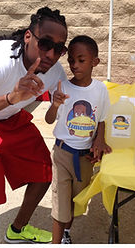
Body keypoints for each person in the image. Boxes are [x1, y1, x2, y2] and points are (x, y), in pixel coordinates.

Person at [0, 7, 68, 243]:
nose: (51, 54)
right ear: (28, 37)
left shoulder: (55, 72)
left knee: (44, 172)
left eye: (59, 48)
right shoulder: (1, 60)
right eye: (45, 43)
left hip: (10, 119)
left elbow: (73, 104)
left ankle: (17, 229)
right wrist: (11, 98)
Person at [44, 35, 111, 244]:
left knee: (76, 201)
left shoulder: (100, 90)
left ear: (95, 62)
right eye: (71, 60)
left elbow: (102, 119)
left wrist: (99, 141)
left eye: (81, 60)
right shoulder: (62, 87)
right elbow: (48, 119)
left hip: (85, 158)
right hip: (62, 154)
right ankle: (56, 241)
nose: (74, 65)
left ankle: (65, 232)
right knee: (60, 204)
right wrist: (54, 105)